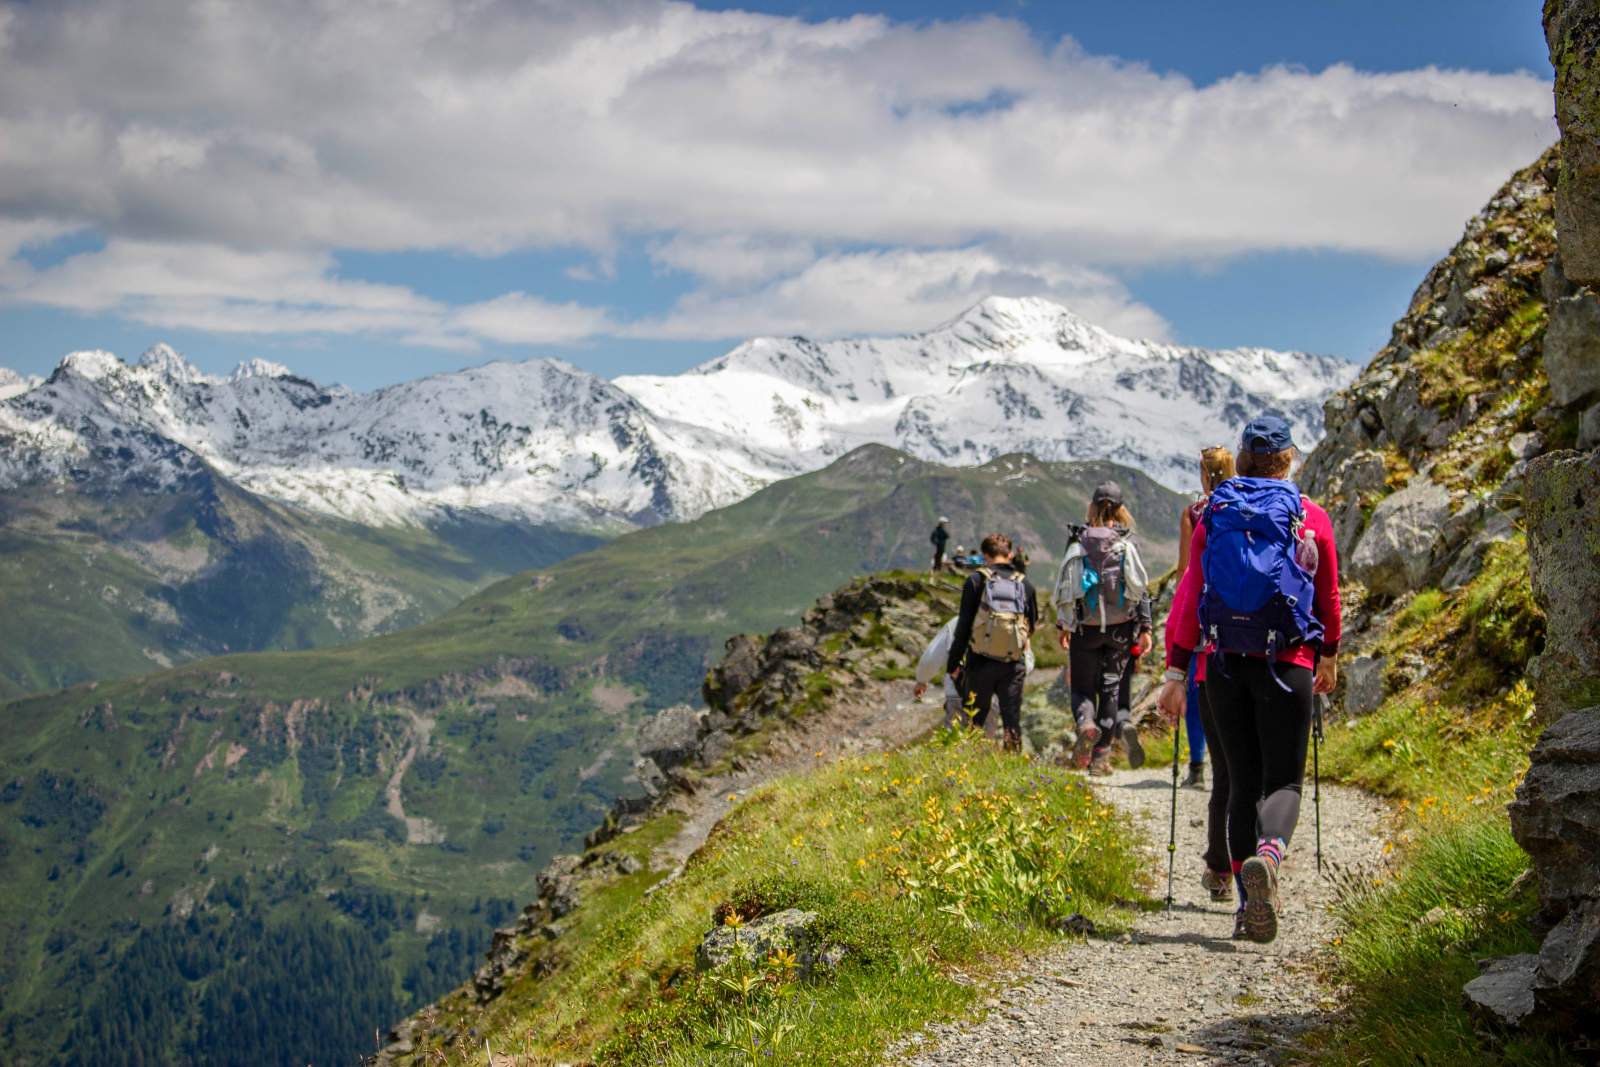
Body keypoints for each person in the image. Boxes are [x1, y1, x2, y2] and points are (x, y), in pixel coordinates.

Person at [1158, 415, 1341, 944]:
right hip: (1289, 662)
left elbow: (1191, 595)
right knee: (1283, 779)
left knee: (1240, 783)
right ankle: (1270, 856)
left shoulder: (1214, 514)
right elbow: (1327, 596)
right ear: (1288, 460)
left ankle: (1245, 907)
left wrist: (1176, 669)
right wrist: (1327, 655)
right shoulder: (1311, 517)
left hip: (1222, 663)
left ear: (1241, 458)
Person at [1054, 482, 1154, 776]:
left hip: (1085, 630)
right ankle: (1100, 759)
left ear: (1093, 507)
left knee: (1083, 690)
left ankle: (1086, 724)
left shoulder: (1078, 541)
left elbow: (1067, 585)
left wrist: (1064, 624)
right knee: (1110, 691)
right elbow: (1140, 588)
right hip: (1120, 631)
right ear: (1121, 510)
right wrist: (1145, 627)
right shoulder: (1126, 543)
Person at [1177, 447, 1236, 790]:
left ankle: (1197, 765)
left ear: (1203, 474)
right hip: (1242, 611)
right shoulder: (1246, 506)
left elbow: (1186, 568)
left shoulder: (1195, 511)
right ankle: (1229, 762)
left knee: (1198, 687)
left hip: (1203, 611)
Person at [948, 533, 1038, 753]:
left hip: (980, 660)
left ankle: (971, 763)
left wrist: (953, 664)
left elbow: (964, 626)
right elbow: (1031, 625)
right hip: (1012, 662)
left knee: (975, 717)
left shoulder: (976, 580)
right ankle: (1012, 764)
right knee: (1011, 718)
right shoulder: (1025, 584)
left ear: (985, 555)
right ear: (1009, 555)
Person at [915, 615, 1034, 740]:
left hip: (957, 694)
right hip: (989, 701)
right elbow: (1024, 667)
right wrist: (1028, 651)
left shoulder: (958, 622)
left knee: (953, 746)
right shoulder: (1012, 626)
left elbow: (930, 659)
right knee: (979, 750)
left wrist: (922, 680)